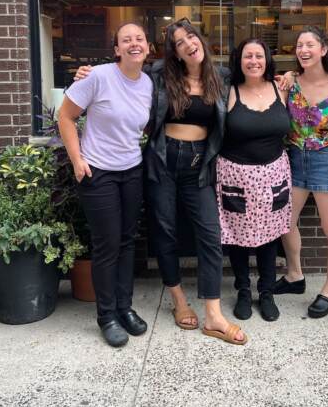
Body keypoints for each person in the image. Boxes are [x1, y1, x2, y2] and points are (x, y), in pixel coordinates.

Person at [76, 18, 247, 346]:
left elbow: (256, 78)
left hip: (199, 165)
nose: (187, 44)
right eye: (179, 42)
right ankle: (178, 300)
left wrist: (289, 79)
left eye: (191, 37)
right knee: (165, 232)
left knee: (211, 235)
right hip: (162, 161)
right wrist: (89, 74)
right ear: (175, 52)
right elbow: (126, 69)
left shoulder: (222, 77)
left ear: (201, 39)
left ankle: (213, 314)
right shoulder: (160, 74)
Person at [58, 23, 152, 348]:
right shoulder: (97, 76)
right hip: (99, 173)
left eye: (139, 39)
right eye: (126, 40)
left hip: (132, 171)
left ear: (148, 47)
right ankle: (107, 316)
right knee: (107, 245)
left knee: (127, 242)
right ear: (117, 50)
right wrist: (77, 159)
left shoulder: (148, 84)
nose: (133, 44)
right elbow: (65, 117)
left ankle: (125, 308)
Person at [274, 26, 328, 319]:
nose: (303, 50)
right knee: (284, 221)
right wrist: (283, 87)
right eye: (299, 46)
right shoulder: (290, 82)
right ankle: (295, 275)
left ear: (323, 49)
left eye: (309, 45)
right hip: (293, 156)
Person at [218, 39, 291, 322]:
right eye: (247, 56)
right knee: (236, 236)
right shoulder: (229, 92)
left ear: (267, 59)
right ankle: (244, 291)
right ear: (239, 61)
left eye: (259, 56)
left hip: (274, 172)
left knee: (270, 236)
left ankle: (267, 292)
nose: (253, 61)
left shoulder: (281, 88)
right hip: (235, 173)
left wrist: (293, 75)